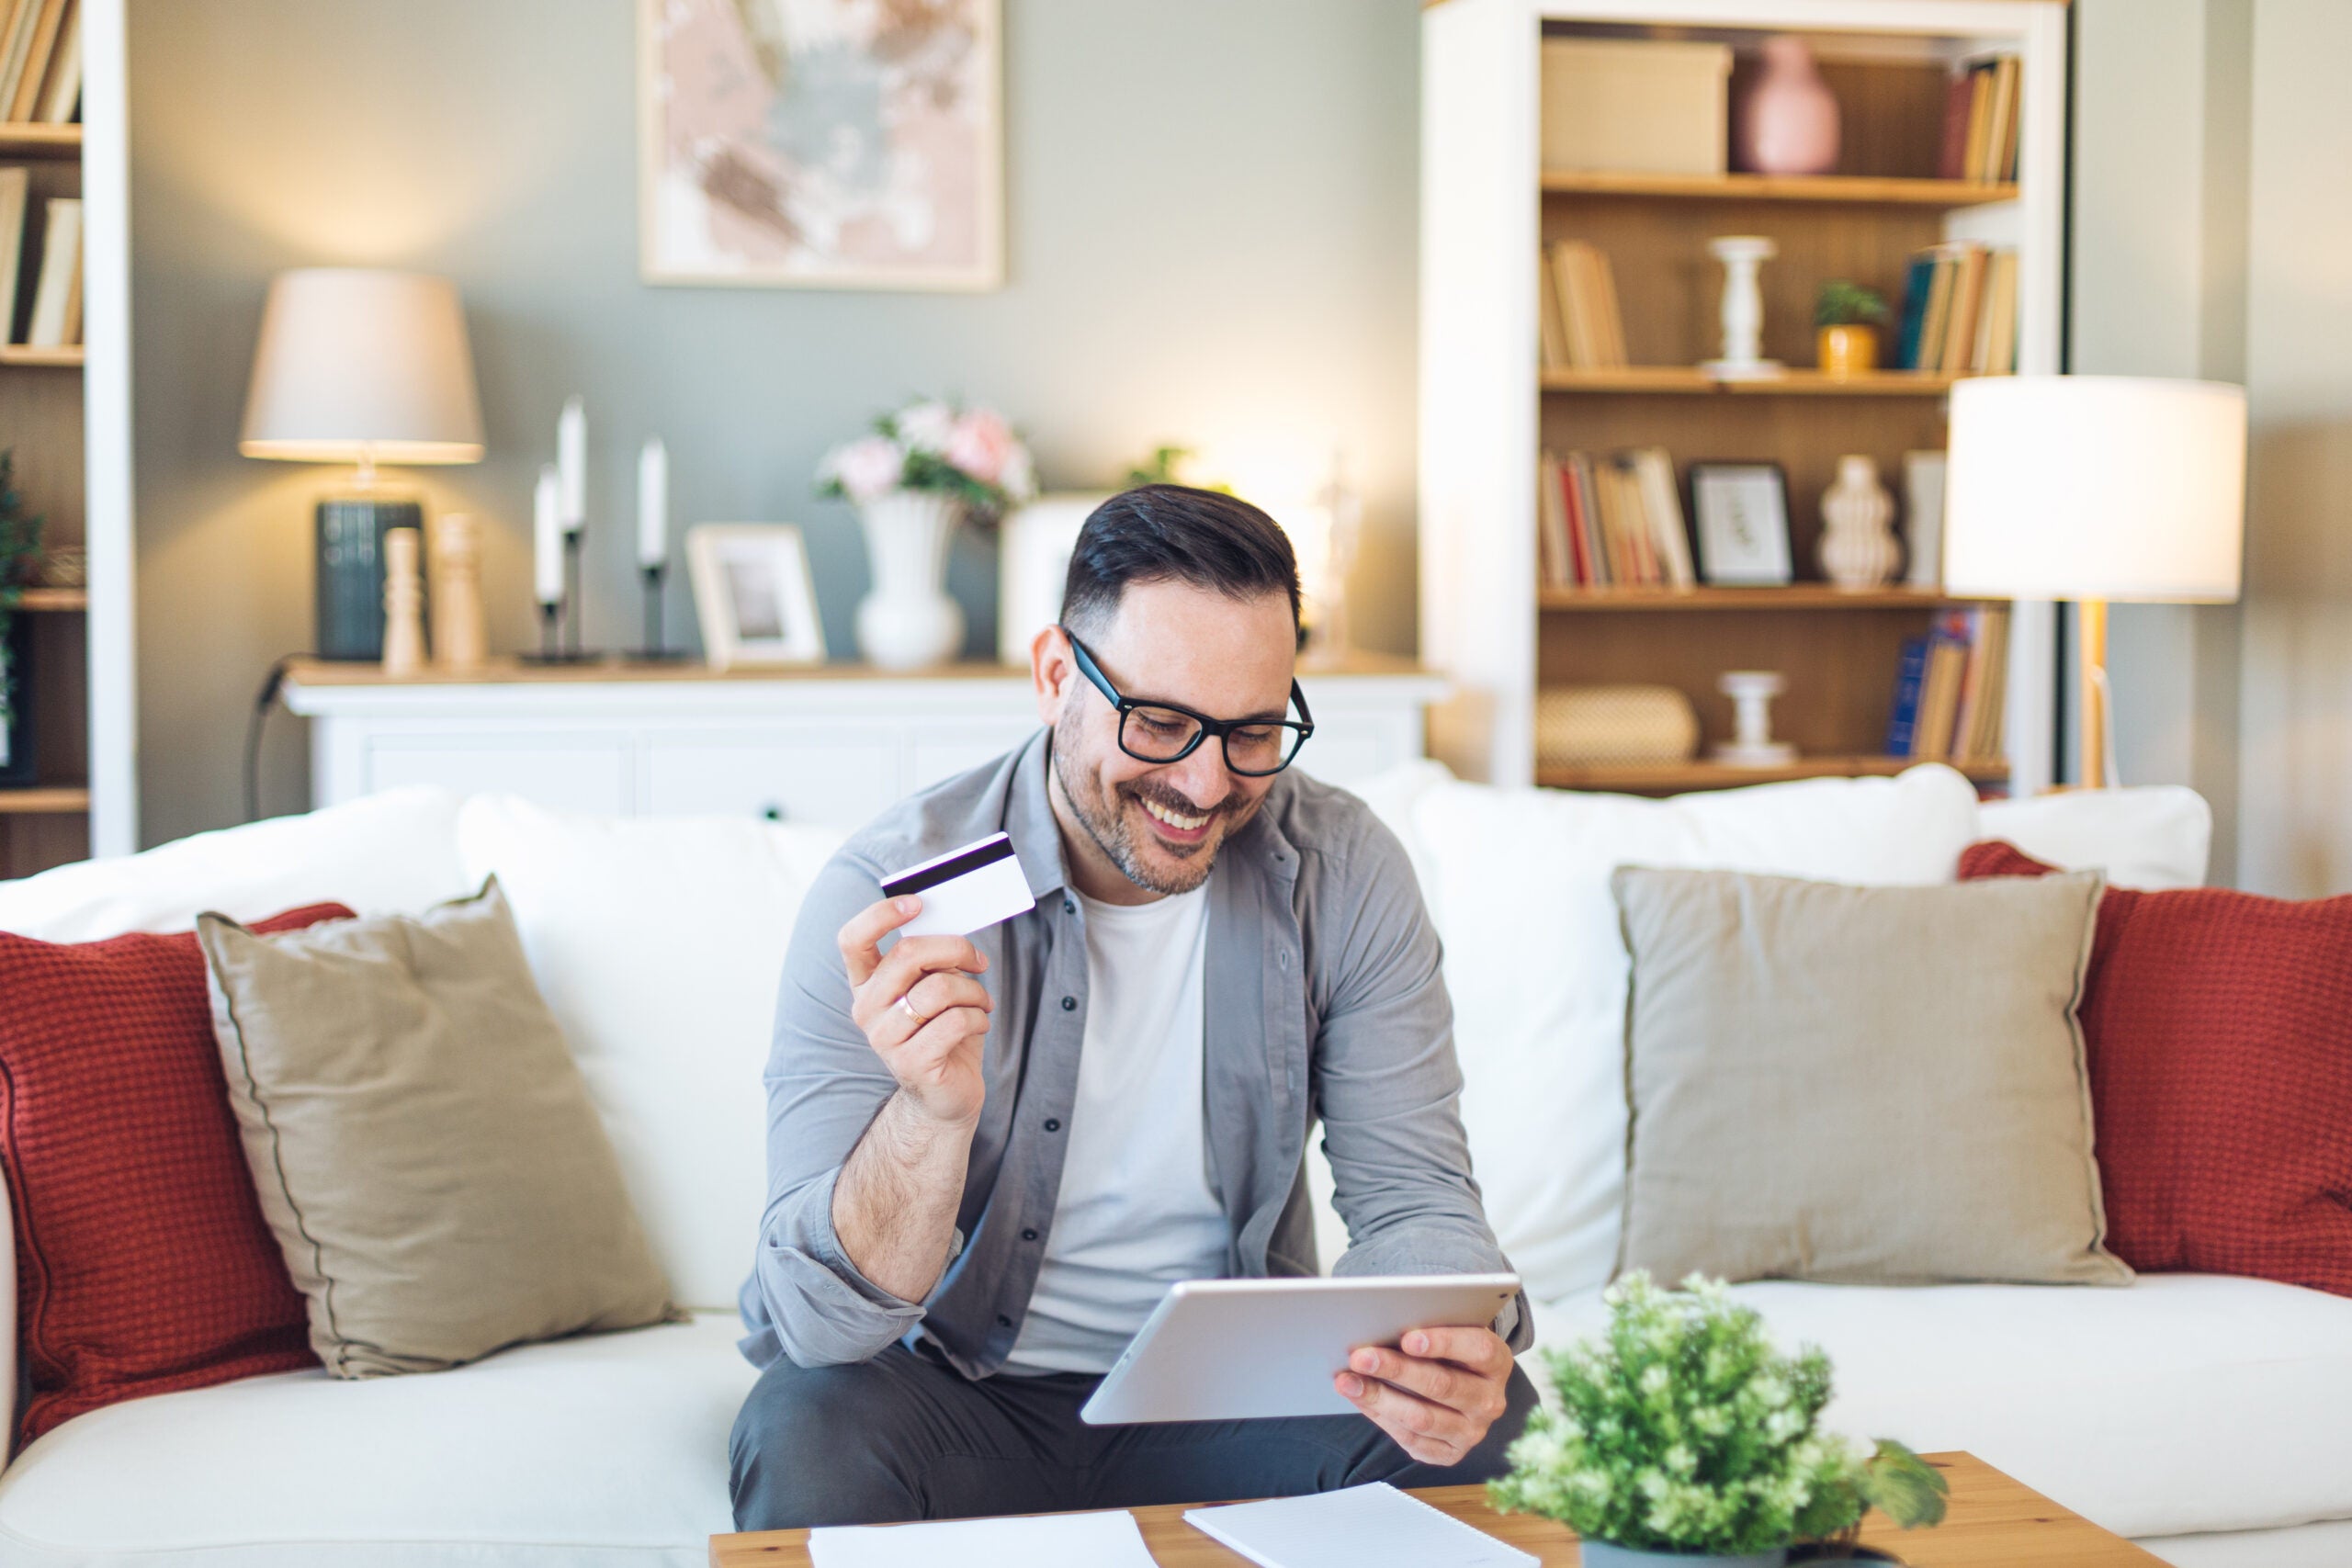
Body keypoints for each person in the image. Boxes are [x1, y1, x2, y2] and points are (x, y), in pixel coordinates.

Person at [729, 484, 1534, 1529]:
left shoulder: (1343, 871)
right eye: (1160, 724)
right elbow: (817, 1326)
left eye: (1251, 732)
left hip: (1237, 1399)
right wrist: (929, 1119)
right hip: (953, 1399)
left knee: (1495, 1420)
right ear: (1056, 675)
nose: (1204, 786)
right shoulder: (891, 892)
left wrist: (1448, 1352)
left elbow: (1414, 1198)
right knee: (806, 1431)